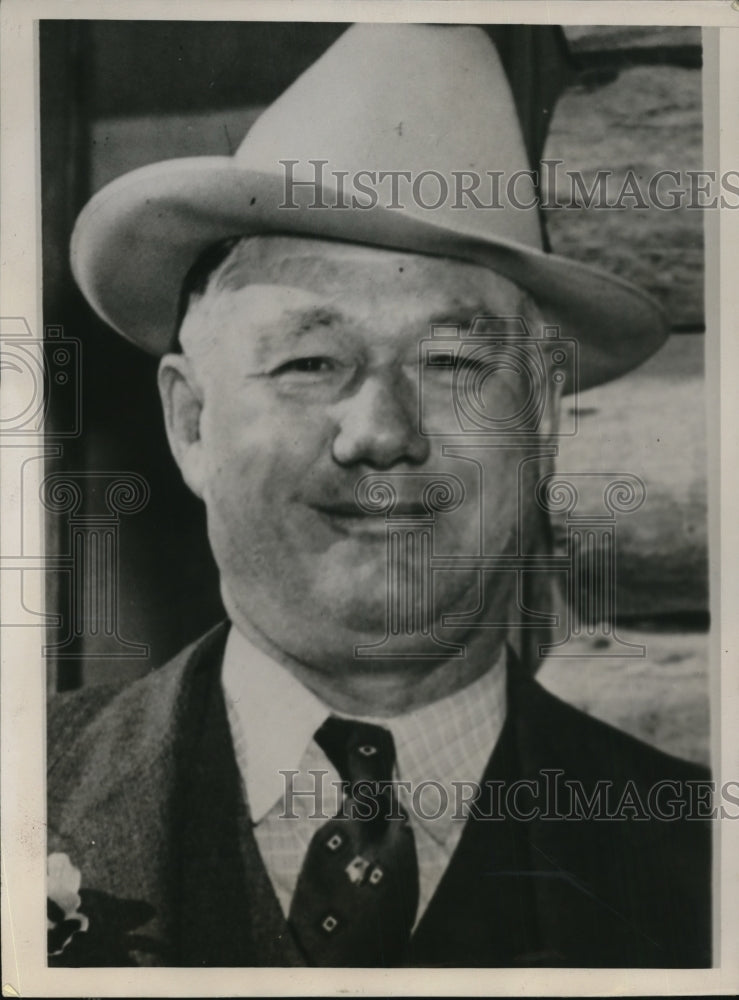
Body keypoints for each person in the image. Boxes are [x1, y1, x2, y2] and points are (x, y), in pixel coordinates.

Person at [47, 23, 711, 968]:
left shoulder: (702, 874)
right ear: (190, 423)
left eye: (449, 362)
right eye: (310, 361)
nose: (382, 431)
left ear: (544, 419)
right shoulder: (20, 804)